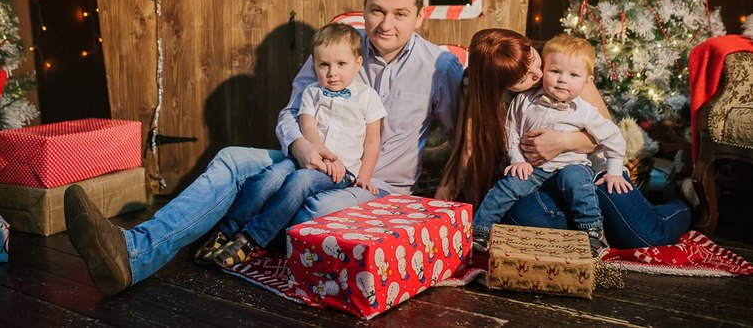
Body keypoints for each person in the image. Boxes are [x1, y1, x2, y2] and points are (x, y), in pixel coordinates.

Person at [64, 0, 463, 295]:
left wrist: (444, 196)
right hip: (312, 159)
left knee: (316, 208)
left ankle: (234, 231)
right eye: (377, 11)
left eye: (399, 14)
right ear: (365, 9)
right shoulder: (338, 47)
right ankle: (133, 251)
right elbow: (291, 112)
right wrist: (301, 146)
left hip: (370, 184)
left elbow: (461, 139)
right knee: (232, 159)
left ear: (419, 16)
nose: (386, 24)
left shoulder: (439, 67)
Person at [437, 28, 692, 251]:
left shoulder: (563, 64)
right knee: (521, 217)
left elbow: (606, 134)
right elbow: (469, 149)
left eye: (533, 60)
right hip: (540, 178)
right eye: (524, 78)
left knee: (646, 236)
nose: (538, 73)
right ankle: (596, 227)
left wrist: (562, 142)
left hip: (590, 170)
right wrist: (440, 205)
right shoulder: (498, 94)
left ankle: (684, 202)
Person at [206, 23, 387, 267]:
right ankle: (227, 230)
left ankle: (253, 238)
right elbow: (307, 126)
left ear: (357, 63)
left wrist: (364, 176)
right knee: (271, 176)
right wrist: (320, 153)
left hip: (341, 172)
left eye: (341, 64)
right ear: (314, 66)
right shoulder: (312, 92)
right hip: (307, 159)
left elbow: (373, 141)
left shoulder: (367, 97)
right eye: (324, 65)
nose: (332, 73)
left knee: (300, 181)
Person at [471, 34, 632, 256]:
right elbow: (511, 133)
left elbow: (612, 136)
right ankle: (479, 231)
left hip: (571, 166)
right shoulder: (524, 101)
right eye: (555, 71)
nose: (562, 79)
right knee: (509, 185)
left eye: (572, 75)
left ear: (587, 81)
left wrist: (614, 172)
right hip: (534, 170)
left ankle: (593, 232)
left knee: (576, 180)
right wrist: (518, 161)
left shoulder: (584, 109)